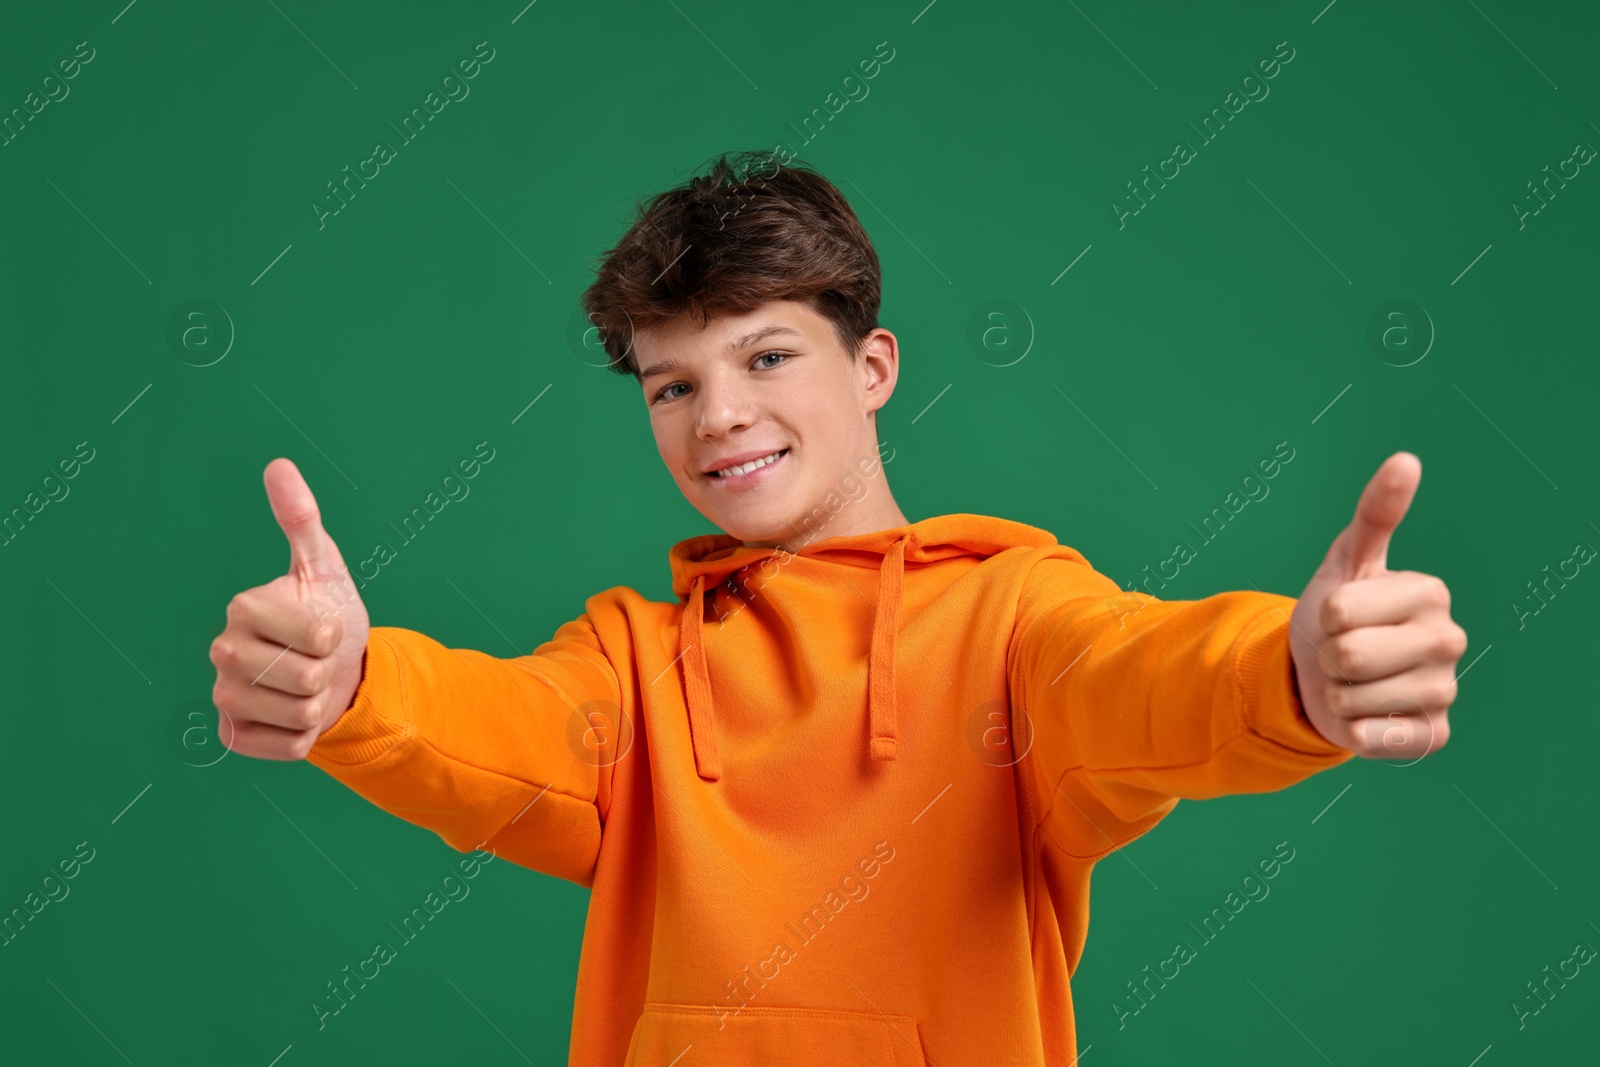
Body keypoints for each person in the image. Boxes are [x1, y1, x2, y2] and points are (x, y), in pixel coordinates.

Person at [208, 149, 1466, 1065]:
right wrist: (351, 686)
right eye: (670, 386)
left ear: (872, 368)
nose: (720, 419)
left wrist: (1292, 674)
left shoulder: (1015, 619)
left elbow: (1139, 677)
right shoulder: (632, 662)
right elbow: (498, 726)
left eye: (765, 356)